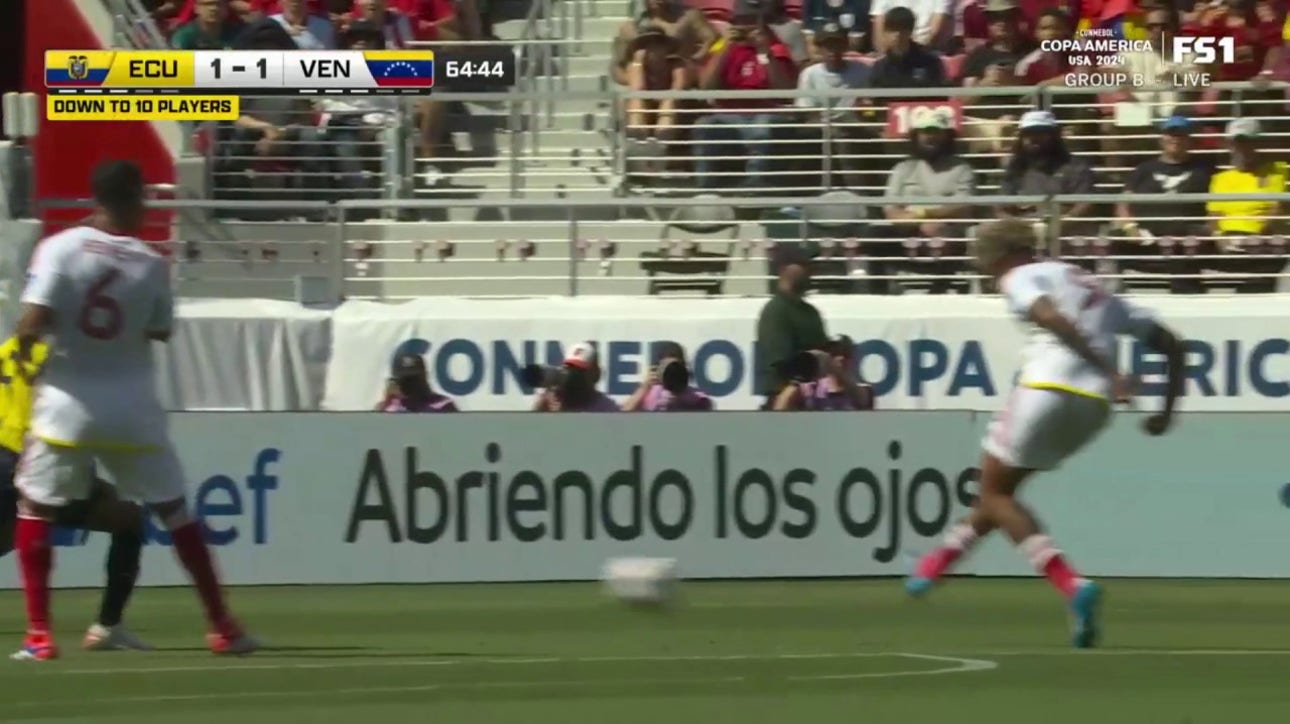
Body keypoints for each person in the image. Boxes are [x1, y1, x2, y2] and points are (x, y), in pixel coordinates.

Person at [10, 160, 258, 660]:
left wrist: (29, 349)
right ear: (138, 198)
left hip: (67, 407)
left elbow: (32, 322)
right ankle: (222, 627)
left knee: (36, 508)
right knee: (175, 513)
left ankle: (39, 635)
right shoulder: (150, 262)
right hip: (132, 409)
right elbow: (160, 331)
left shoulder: (59, 249)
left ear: (94, 196)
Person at [905, 218, 1185, 649]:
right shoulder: (1092, 285)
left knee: (994, 493)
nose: (985, 272)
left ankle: (1071, 584)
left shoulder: (1020, 276)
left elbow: (1049, 317)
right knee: (1001, 494)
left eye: (985, 262)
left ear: (1003, 256)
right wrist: (1166, 412)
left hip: (1046, 388)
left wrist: (1107, 367)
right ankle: (935, 564)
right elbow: (1172, 344)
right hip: (1094, 409)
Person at [0, 337, 151, 653]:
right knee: (129, 519)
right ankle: (107, 627)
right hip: (37, 458)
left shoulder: (10, 347)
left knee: (11, 538)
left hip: (6, 454)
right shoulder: (63, 353)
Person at [694, 10, 799, 191]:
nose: (744, 27)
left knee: (762, 127)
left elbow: (785, 92)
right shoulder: (724, 49)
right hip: (729, 115)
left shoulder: (776, 49)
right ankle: (706, 188)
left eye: (749, 21)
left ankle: (756, 184)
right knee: (704, 125)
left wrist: (764, 52)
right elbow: (705, 86)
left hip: (764, 112)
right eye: (739, 22)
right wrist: (725, 46)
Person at [1114, 114, 1214, 294]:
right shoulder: (1143, 169)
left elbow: (1217, 204)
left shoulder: (1204, 169)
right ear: (1161, 138)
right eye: (1170, 133)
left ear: (1189, 139)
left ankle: (1187, 301)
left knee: (1183, 246)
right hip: (1146, 235)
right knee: (1110, 243)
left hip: (1187, 238)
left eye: (1181, 134)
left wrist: (1209, 228)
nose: (1175, 139)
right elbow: (1123, 202)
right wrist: (1130, 227)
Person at [879, 110, 976, 292]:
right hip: (907, 230)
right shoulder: (902, 168)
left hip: (947, 230)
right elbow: (891, 211)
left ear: (947, 136)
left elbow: (963, 207)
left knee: (948, 236)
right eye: (925, 132)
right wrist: (919, 220)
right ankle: (875, 293)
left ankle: (938, 291)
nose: (930, 137)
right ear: (916, 136)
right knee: (873, 237)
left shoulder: (962, 169)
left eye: (936, 132)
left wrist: (927, 215)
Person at [1204, 118, 1288, 293]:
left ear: (1258, 143)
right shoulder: (1220, 179)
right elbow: (1213, 216)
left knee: (1272, 248)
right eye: (1237, 142)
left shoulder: (1278, 170)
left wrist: (1258, 235)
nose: (1242, 148)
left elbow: (1276, 210)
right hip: (1227, 239)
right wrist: (1219, 237)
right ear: (1230, 145)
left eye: (1248, 142)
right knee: (1187, 239)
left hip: (1262, 239)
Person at [754, 256, 829, 409]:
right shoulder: (776, 310)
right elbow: (778, 361)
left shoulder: (810, 312)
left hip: (813, 398)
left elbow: (823, 351)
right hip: (783, 397)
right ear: (784, 270)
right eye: (803, 266)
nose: (809, 273)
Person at [772, 335, 875, 410]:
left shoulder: (863, 390)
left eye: (846, 354)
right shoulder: (810, 389)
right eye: (834, 353)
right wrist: (800, 375)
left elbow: (864, 400)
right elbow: (780, 409)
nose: (840, 358)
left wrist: (833, 368)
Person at [623, 342, 714, 412]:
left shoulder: (697, 398)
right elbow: (622, 416)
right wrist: (645, 387)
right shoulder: (650, 394)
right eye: (666, 368)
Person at [531, 343, 621, 413]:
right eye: (569, 369)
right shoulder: (552, 400)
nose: (574, 376)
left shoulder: (605, 407)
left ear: (596, 374)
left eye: (579, 371)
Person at [376, 353, 459, 412]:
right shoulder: (391, 408)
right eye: (406, 381)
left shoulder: (443, 404)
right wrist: (388, 401)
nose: (411, 385)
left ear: (425, 376)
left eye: (415, 380)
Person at [171, 0, 243, 49]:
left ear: (226, 8)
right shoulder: (184, 37)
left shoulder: (238, 33)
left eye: (219, 4)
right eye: (207, 4)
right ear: (196, 8)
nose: (214, 8)